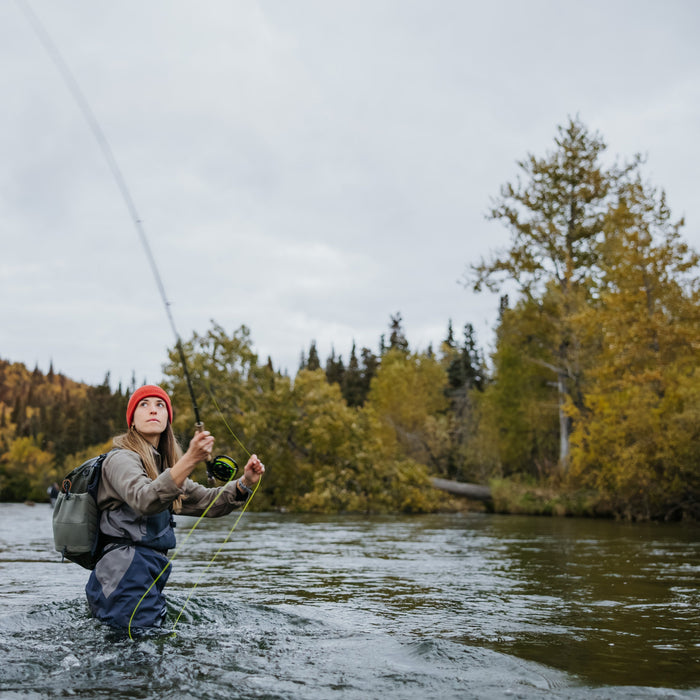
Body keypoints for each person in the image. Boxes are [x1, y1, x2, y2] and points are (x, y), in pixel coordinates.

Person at [85, 384, 264, 630]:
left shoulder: (164, 469)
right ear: (132, 421)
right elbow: (144, 499)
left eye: (160, 405)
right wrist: (190, 459)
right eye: (144, 405)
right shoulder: (120, 459)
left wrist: (244, 483)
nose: (153, 410)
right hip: (122, 578)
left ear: (167, 419)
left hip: (144, 578)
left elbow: (208, 502)